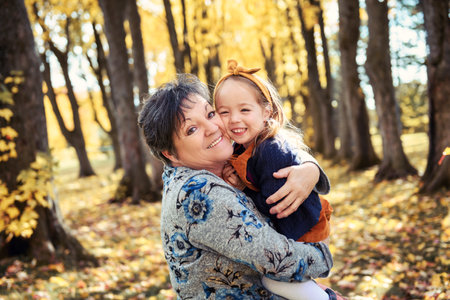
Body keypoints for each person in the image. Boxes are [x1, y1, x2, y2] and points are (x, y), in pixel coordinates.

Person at [138, 74, 342, 299]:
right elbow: (277, 260)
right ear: (169, 153)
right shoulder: (198, 192)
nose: (212, 128)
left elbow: (273, 144)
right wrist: (323, 256)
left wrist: (309, 168)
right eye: (191, 130)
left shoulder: (211, 165)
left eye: (210, 113)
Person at [212, 60, 334, 299]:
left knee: (275, 282)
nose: (234, 119)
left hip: (302, 231)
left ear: (266, 111)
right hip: (291, 229)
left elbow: (276, 208)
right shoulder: (243, 146)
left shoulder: (270, 151)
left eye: (244, 110)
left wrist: (242, 191)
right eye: (224, 112)